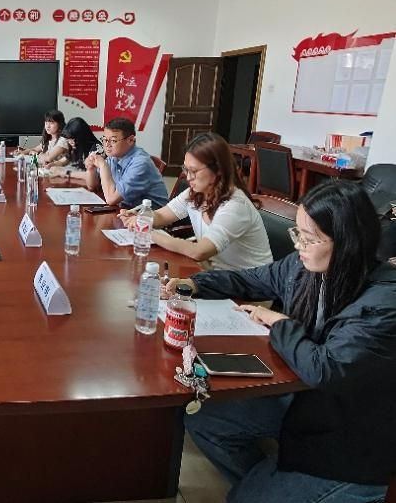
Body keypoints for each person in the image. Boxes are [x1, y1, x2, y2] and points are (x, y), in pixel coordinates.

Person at [166, 180, 396, 503]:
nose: (299, 245)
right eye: (297, 234)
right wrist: (194, 284)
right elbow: (250, 280)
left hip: (350, 437)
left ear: (348, 242)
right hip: (305, 403)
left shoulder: (384, 300)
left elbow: (325, 369)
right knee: (204, 419)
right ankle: (269, 481)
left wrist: (281, 324)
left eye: (310, 238)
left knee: (243, 498)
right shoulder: (305, 268)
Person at [120, 132, 271, 270]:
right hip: (216, 273)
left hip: (249, 283)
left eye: (194, 171)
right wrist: (141, 218)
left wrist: (147, 232)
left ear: (218, 170)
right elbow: (162, 216)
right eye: (186, 169)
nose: (188, 177)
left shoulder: (235, 206)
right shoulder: (195, 193)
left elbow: (199, 251)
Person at [84, 117, 168, 208]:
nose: (107, 145)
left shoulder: (141, 163)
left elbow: (111, 199)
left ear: (130, 140)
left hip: (151, 214)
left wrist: (103, 165)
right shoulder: (114, 157)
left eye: (113, 141)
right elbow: (92, 186)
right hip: (126, 210)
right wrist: (91, 169)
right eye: (104, 139)